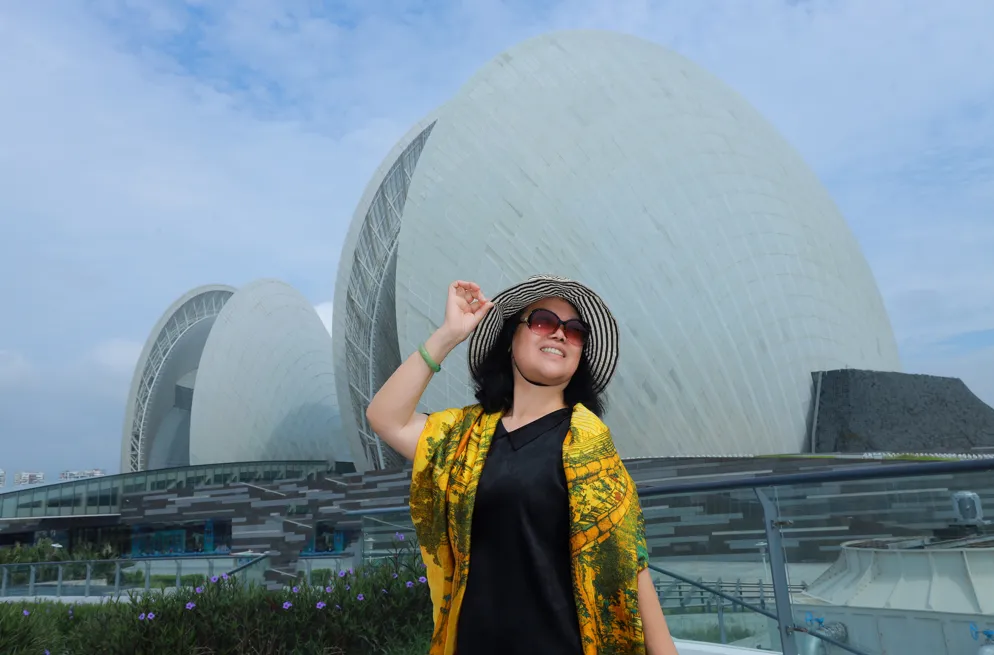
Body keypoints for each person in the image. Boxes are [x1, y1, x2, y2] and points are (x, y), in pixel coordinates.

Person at [367, 275, 678, 655]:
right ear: (510, 340)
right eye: (544, 322)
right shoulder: (464, 439)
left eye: (575, 331)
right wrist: (449, 334)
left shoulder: (591, 449)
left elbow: (629, 563)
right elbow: (386, 418)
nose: (560, 334)